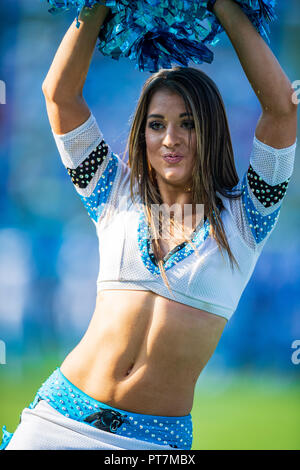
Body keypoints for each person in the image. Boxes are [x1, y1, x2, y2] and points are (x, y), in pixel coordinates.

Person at [3, 0, 298, 450]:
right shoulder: (113, 195)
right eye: (156, 124)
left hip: (153, 443)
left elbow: (282, 110)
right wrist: (102, 3)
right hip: (55, 421)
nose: (171, 139)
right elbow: (59, 94)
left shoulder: (246, 218)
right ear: (142, 133)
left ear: (212, 131)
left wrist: (224, 5)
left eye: (188, 124)